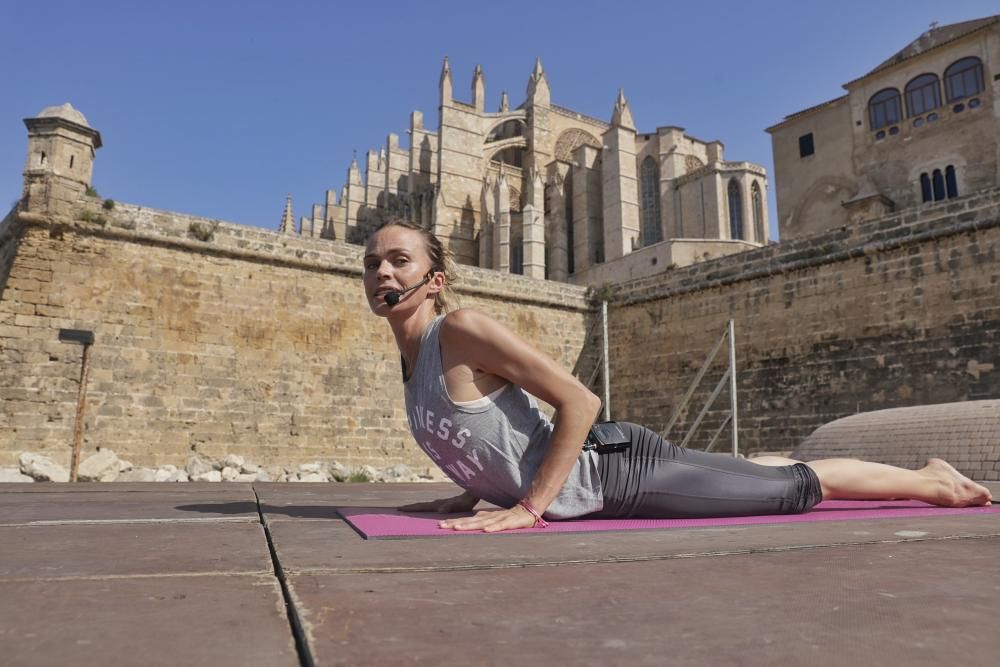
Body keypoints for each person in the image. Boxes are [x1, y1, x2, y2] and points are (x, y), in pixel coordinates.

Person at [362, 221, 993, 533]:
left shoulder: (463, 327)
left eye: (399, 260)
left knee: (796, 489)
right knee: (754, 474)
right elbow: (493, 433)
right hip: (606, 476)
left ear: (433, 280)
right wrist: (476, 490)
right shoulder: (411, 358)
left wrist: (529, 506)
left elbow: (580, 401)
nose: (383, 273)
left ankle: (933, 482)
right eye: (372, 264)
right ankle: (747, 463)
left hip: (618, 477)